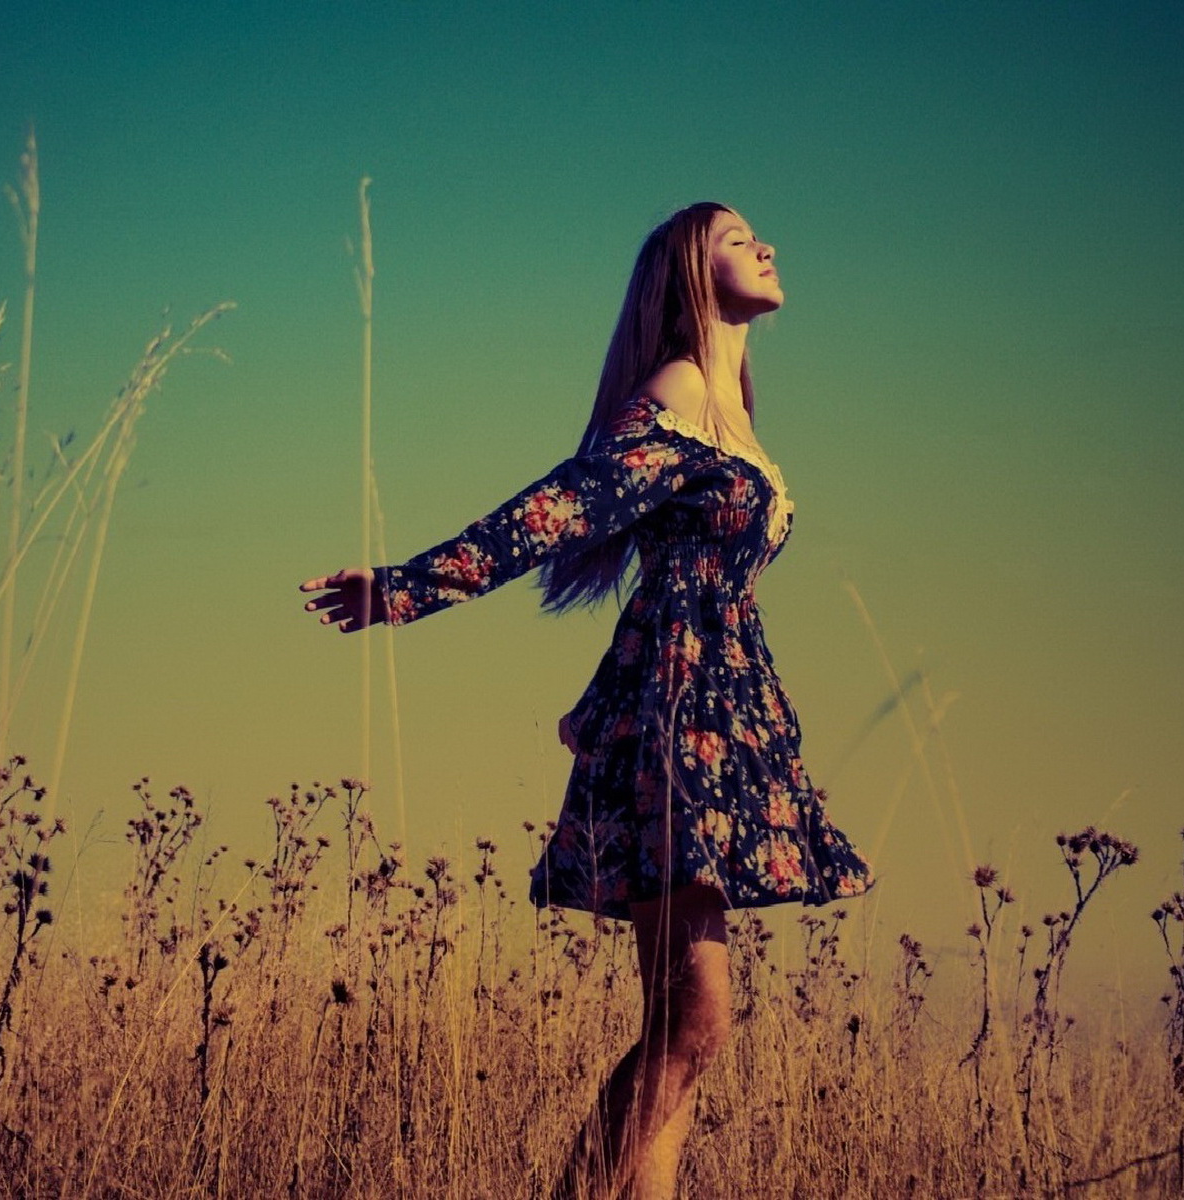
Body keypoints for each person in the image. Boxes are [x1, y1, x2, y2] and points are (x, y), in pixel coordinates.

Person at [298, 202, 875, 1200]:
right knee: (697, 1024)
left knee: (682, 1037)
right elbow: (553, 511)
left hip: (721, 719)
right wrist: (406, 586)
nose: (767, 245)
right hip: (676, 720)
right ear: (689, 275)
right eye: (738, 240)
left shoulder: (733, 411)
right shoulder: (677, 393)